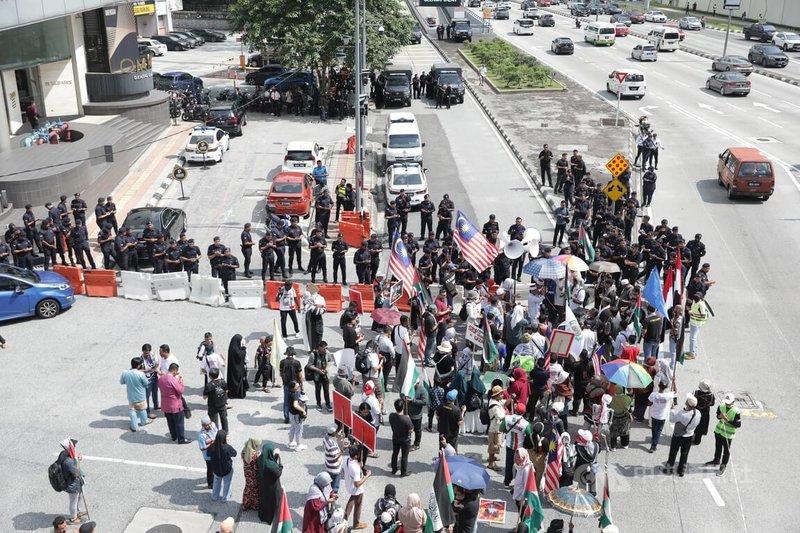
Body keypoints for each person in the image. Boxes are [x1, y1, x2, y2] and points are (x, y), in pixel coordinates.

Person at [663, 394, 700, 477]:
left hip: (679, 436)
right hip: (689, 435)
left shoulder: (682, 413)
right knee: (684, 454)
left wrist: (672, 409)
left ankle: (669, 469)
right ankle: (681, 471)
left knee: (673, 453)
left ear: (687, 403)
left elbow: (672, 419)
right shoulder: (698, 413)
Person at [706, 393, 741, 476]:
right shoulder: (721, 406)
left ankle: (723, 466)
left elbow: (738, 425)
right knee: (718, 447)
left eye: (729, 402)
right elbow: (717, 416)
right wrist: (720, 416)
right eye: (726, 402)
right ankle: (716, 461)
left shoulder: (736, 411)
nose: (727, 404)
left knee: (726, 451)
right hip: (718, 431)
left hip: (728, 435)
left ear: (733, 402)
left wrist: (727, 420)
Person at [500, 403, 532, 486]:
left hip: (509, 445)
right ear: (524, 412)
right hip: (519, 448)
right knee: (519, 467)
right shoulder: (525, 424)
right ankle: (517, 484)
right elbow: (529, 435)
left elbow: (501, 428)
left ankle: (507, 482)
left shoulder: (507, 418)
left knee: (509, 464)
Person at [158, 362, 190, 444]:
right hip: (175, 404)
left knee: (170, 421)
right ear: (174, 370)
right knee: (179, 422)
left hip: (165, 404)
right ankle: (181, 439)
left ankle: (173, 436)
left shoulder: (161, 378)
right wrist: (180, 382)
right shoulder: (173, 380)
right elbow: (180, 391)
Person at [58, 438, 86, 525]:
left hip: (73, 482)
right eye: (74, 445)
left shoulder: (63, 454)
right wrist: (79, 461)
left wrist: (75, 458)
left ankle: (78, 512)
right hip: (72, 485)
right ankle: (73, 518)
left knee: (79, 498)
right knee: (73, 501)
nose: (75, 447)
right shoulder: (68, 462)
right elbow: (76, 473)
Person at [120, 356, 150, 433]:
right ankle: (144, 421)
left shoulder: (125, 373)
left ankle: (134, 426)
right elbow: (146, 383)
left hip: (131, 396)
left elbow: (122, 382)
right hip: (140, 395)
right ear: (139, 365)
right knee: (142, 409)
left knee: (132, 410)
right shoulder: (141, 374)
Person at [344, 445, 371, 530]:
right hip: (356, 489)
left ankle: (344, 519)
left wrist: (359, 465)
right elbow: (357, 484)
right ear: (356, 456)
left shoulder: (346, 459)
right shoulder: (355, 468)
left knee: (351, 500)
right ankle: (356, 524)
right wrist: (367, 476)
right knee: (358, 506)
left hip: (349, 485)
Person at [257, 442, 283, 523]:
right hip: (272, 486)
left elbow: (269, 460)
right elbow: (278, 473)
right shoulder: (270, 464)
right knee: (272, 501)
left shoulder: (261, 458)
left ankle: (263, 515)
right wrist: (280, 463)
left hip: (263, 484)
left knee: (264, 500)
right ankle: (271, 518)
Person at [209, 429, 237, 502]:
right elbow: (234, 453)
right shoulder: (227, 447)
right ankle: (225, 498)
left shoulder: (212, 446)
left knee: (216, 482)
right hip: (226, 469)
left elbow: (208, 454)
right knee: (227, 482)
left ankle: (214, 497)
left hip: (216, 469)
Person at [647, 380, 674, 452]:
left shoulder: (653, 394)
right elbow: (675, 391)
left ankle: (654, 440)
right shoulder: (667, 395)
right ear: (665, 387)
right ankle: (653, 446)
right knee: (658, 431)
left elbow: (649, 404)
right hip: (662, 416)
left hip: (654, 414)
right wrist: (674, 382)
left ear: (659, 386)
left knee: (654, 428)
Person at [388, 398, 413, 476]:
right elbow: (411, 430)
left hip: (395, 437)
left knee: (395, 453)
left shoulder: (391, 415)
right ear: (403, 407)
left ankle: (394, 469)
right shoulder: (406, 419)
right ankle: (403, 472)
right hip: (405, 440)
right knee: (404, 456)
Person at [280, 347, 303, 423]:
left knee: (286, 400)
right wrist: (301, 384)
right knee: (296, 399)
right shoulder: (297, 362)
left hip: (286, 384)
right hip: (295, 384)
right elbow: (299, 375)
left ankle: (286, 417)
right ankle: (296, 415)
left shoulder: (282, 362)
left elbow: (281, 373)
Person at [240, 437, 262, 511]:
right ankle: (254, 505)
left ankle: (245, 504)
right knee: (254, 489)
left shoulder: (244, 451)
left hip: (247, 473)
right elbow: (256, 467)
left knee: (248, 488)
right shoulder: (254, 455)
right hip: (253, 474)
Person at [203, 368, 229, 433]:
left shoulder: (209, 385)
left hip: (212, 405)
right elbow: (226, 390)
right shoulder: (223, 382)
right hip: (222, 404)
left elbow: (204, 397)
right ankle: (225, 432)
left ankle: (215, 433)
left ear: (210, 376)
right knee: (224, 419)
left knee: (214, 421)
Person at [685, 293, 708, 360]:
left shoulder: (701, 304)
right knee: (693, 337)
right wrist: (689, 310)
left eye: (697, 297)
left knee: (692, 338)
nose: (695, 297)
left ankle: (692, 353)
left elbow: (703, 315)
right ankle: (693, 351)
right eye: (695, 296)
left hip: (697, 323)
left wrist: (692, 314)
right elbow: (694, 309)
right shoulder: (695, 302)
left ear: (700, 297)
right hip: (693, 322)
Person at [198, 416, 219, 489]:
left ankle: (216, 477)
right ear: (203, 426)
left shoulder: (213, 425)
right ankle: (210, 483)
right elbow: (202, 448)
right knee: (210, 469)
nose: (209, 425)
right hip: (208, 455)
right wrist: (211, 444)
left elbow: (216, 432)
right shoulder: (201, 435)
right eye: (207, 425)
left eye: (209, 423)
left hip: (215, 451)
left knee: (216, 466)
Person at [693, 379, 716, 445]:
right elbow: (712, 404)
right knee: (701, 426)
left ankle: (690, 436)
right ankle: (697, 440)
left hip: (696, 411)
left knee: (693, 424)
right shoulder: (711, 395)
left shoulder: (696, 393)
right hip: (705, 413)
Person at [226, 334, 248, 399]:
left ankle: (232, 393)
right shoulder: (236, 350)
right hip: (237, 369)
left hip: (233, 368)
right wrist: (243, 350)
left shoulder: (232, 347)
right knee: (238, 380)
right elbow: (241, 356)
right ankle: (238, 394)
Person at [288, 380, 308, 450]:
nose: (298, 387)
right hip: (296, 415)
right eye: (297, 386)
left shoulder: (289, 393)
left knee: (292, 427)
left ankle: (291, 442)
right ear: (293, 388)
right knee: (299, 430)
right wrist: (303, 410)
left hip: (291, 413)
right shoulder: (295, 395)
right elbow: (295, 405)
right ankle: (299, 445)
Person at [324, 424, 344, 491]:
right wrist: (343, 449)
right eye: (336, 431)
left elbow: (334, 442)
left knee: (330, 482)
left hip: (329, 465)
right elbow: (335, 456)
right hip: (334, 468)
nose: (337, 432)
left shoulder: (326, 437)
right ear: (333, 433)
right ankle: (333, 496)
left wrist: (340, 438)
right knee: (335, 486)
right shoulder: (331, 445)